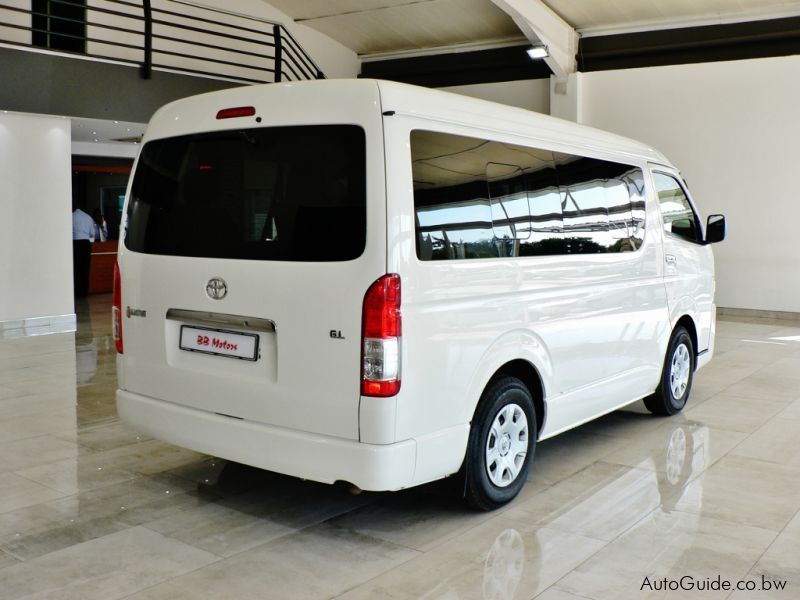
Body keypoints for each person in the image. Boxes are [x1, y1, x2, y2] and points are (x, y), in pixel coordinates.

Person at [72, 204, 95, 296]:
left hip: (75, 243)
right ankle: (83, 291)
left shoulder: (71, 216)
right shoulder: (88, 217)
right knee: (85, 269)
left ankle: (75, 291)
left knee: (75, 268)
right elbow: (92, 234)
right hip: (85, 244)